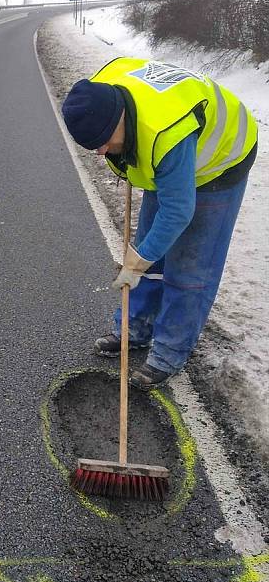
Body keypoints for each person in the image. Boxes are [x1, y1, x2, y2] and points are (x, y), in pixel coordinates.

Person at [61, 57, 258, 389]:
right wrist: (142, 258)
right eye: (95, 146)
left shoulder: (166, 134)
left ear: (119, 117)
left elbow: (179, 211)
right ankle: (133, 330)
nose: (102, 152)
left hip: (221, 161)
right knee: (151, 246)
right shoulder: (101, 92)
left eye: (105, 141)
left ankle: (168, 354)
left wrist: (137, 260)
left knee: (189, 268)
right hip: (161, 152)